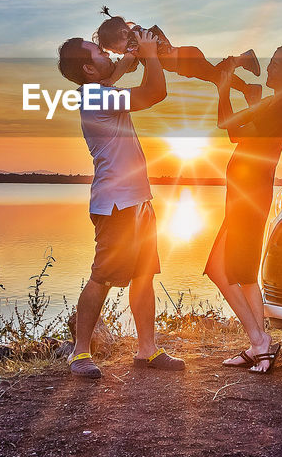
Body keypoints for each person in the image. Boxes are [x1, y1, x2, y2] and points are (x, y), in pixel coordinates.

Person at [56, 28, 185, 378]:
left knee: (144, 276)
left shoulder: (100, 88)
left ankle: (147, 350)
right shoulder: (96, 99)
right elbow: (155, 92)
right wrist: (149, 54)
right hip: (115, 206)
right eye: (96, 52)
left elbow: (114, 73)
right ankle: (80, 354)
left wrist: (130, 56)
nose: (104, 52)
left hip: (139, 200)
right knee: (102, 278)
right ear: (88, 70)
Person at [204, 44, 282, 374]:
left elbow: (231, 129)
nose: (269, 68)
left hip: (249, 194)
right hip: (245, 191)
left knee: (227, 270)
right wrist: (237, 91)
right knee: (236, 271)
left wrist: (223, 87)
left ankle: (259, 341)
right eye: (272, 62)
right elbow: (238, 126)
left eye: (278, 65)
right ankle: (258, 343)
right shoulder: (273, 103)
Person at [95, 7, 262, 105]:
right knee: (217, 76)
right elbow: (134, 64)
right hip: (186, 57)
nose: (121, 54)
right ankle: (247, 83)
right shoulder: (137, 37)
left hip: (186, 60)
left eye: (117, 50)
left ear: (123, 33)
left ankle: (244, 73)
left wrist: (112, 80)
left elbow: (128, 62)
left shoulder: (135, 39)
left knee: (218, 77)